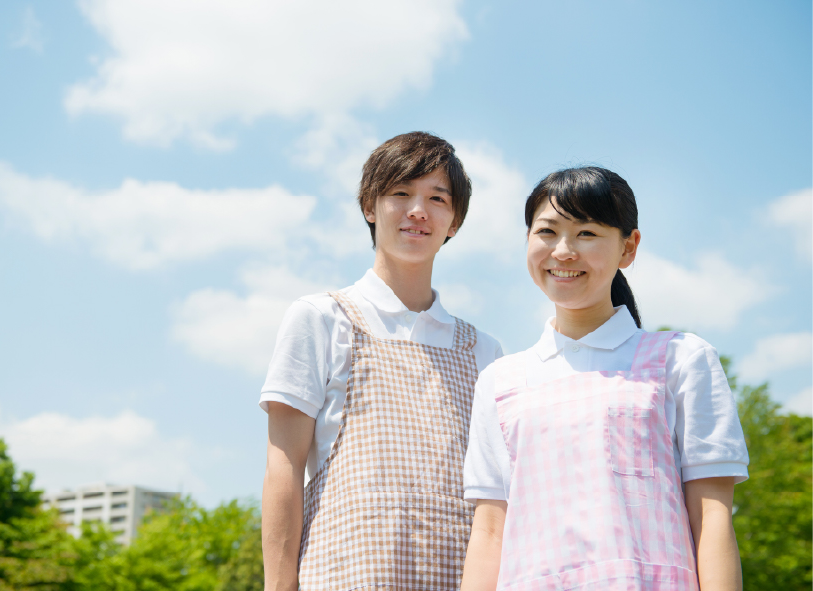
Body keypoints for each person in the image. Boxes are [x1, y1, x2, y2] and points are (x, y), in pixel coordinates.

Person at [460, 167, 749, 591]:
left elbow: (712, 516)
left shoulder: (681, 359)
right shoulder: (501, 381)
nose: (563, 251)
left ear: (628, 248)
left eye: (587, 233)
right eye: (547, 231)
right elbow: (489, 533)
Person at [261, 132, 503, 590]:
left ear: (455, 222)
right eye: (400, 193)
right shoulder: (321, 318)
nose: (418, 211)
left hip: (456, 576)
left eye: (437, 198)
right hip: (342, 572)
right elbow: (284, 465)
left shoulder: (485, 352)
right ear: (370, 207)